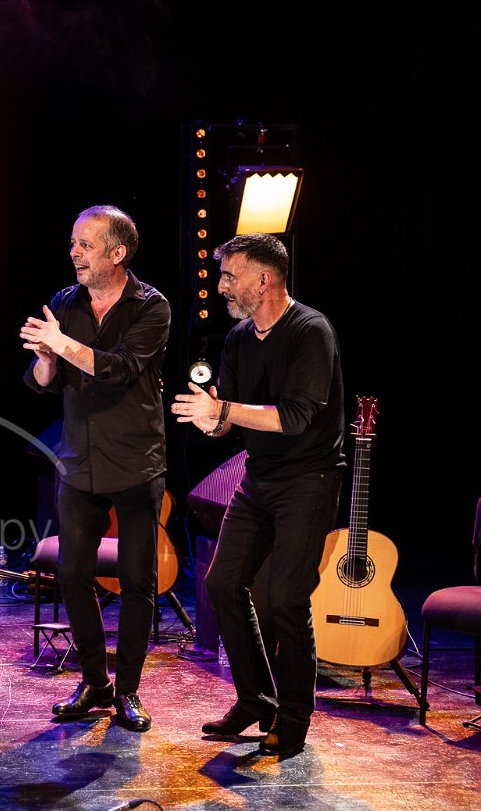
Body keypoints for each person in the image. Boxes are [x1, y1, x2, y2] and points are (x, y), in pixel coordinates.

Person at [171, 232, 344, 758]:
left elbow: (294, 417)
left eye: (231, 275)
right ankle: (255, 698)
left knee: (286, 600)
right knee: (221, 583)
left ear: (264, 279)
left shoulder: (310, 331)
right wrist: (212, 420)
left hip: (309, 480)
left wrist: (224, 412)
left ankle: (293, 717)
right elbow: (231, 414)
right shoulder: (239, 338)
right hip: (259, 476)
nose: (222, 285)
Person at [20, 205, 170, 732]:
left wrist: (63, 344)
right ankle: (94, 682)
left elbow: (121, 369)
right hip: (79, 461)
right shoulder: (66, 301)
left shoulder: (151, 307)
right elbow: (43, 381)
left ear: (117, 253)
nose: (74, 253)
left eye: (85, 244)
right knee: (72, 573)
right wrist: (46, 358)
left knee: (136, 580)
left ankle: (127, 689)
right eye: (73, 243)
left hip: (135, 460)